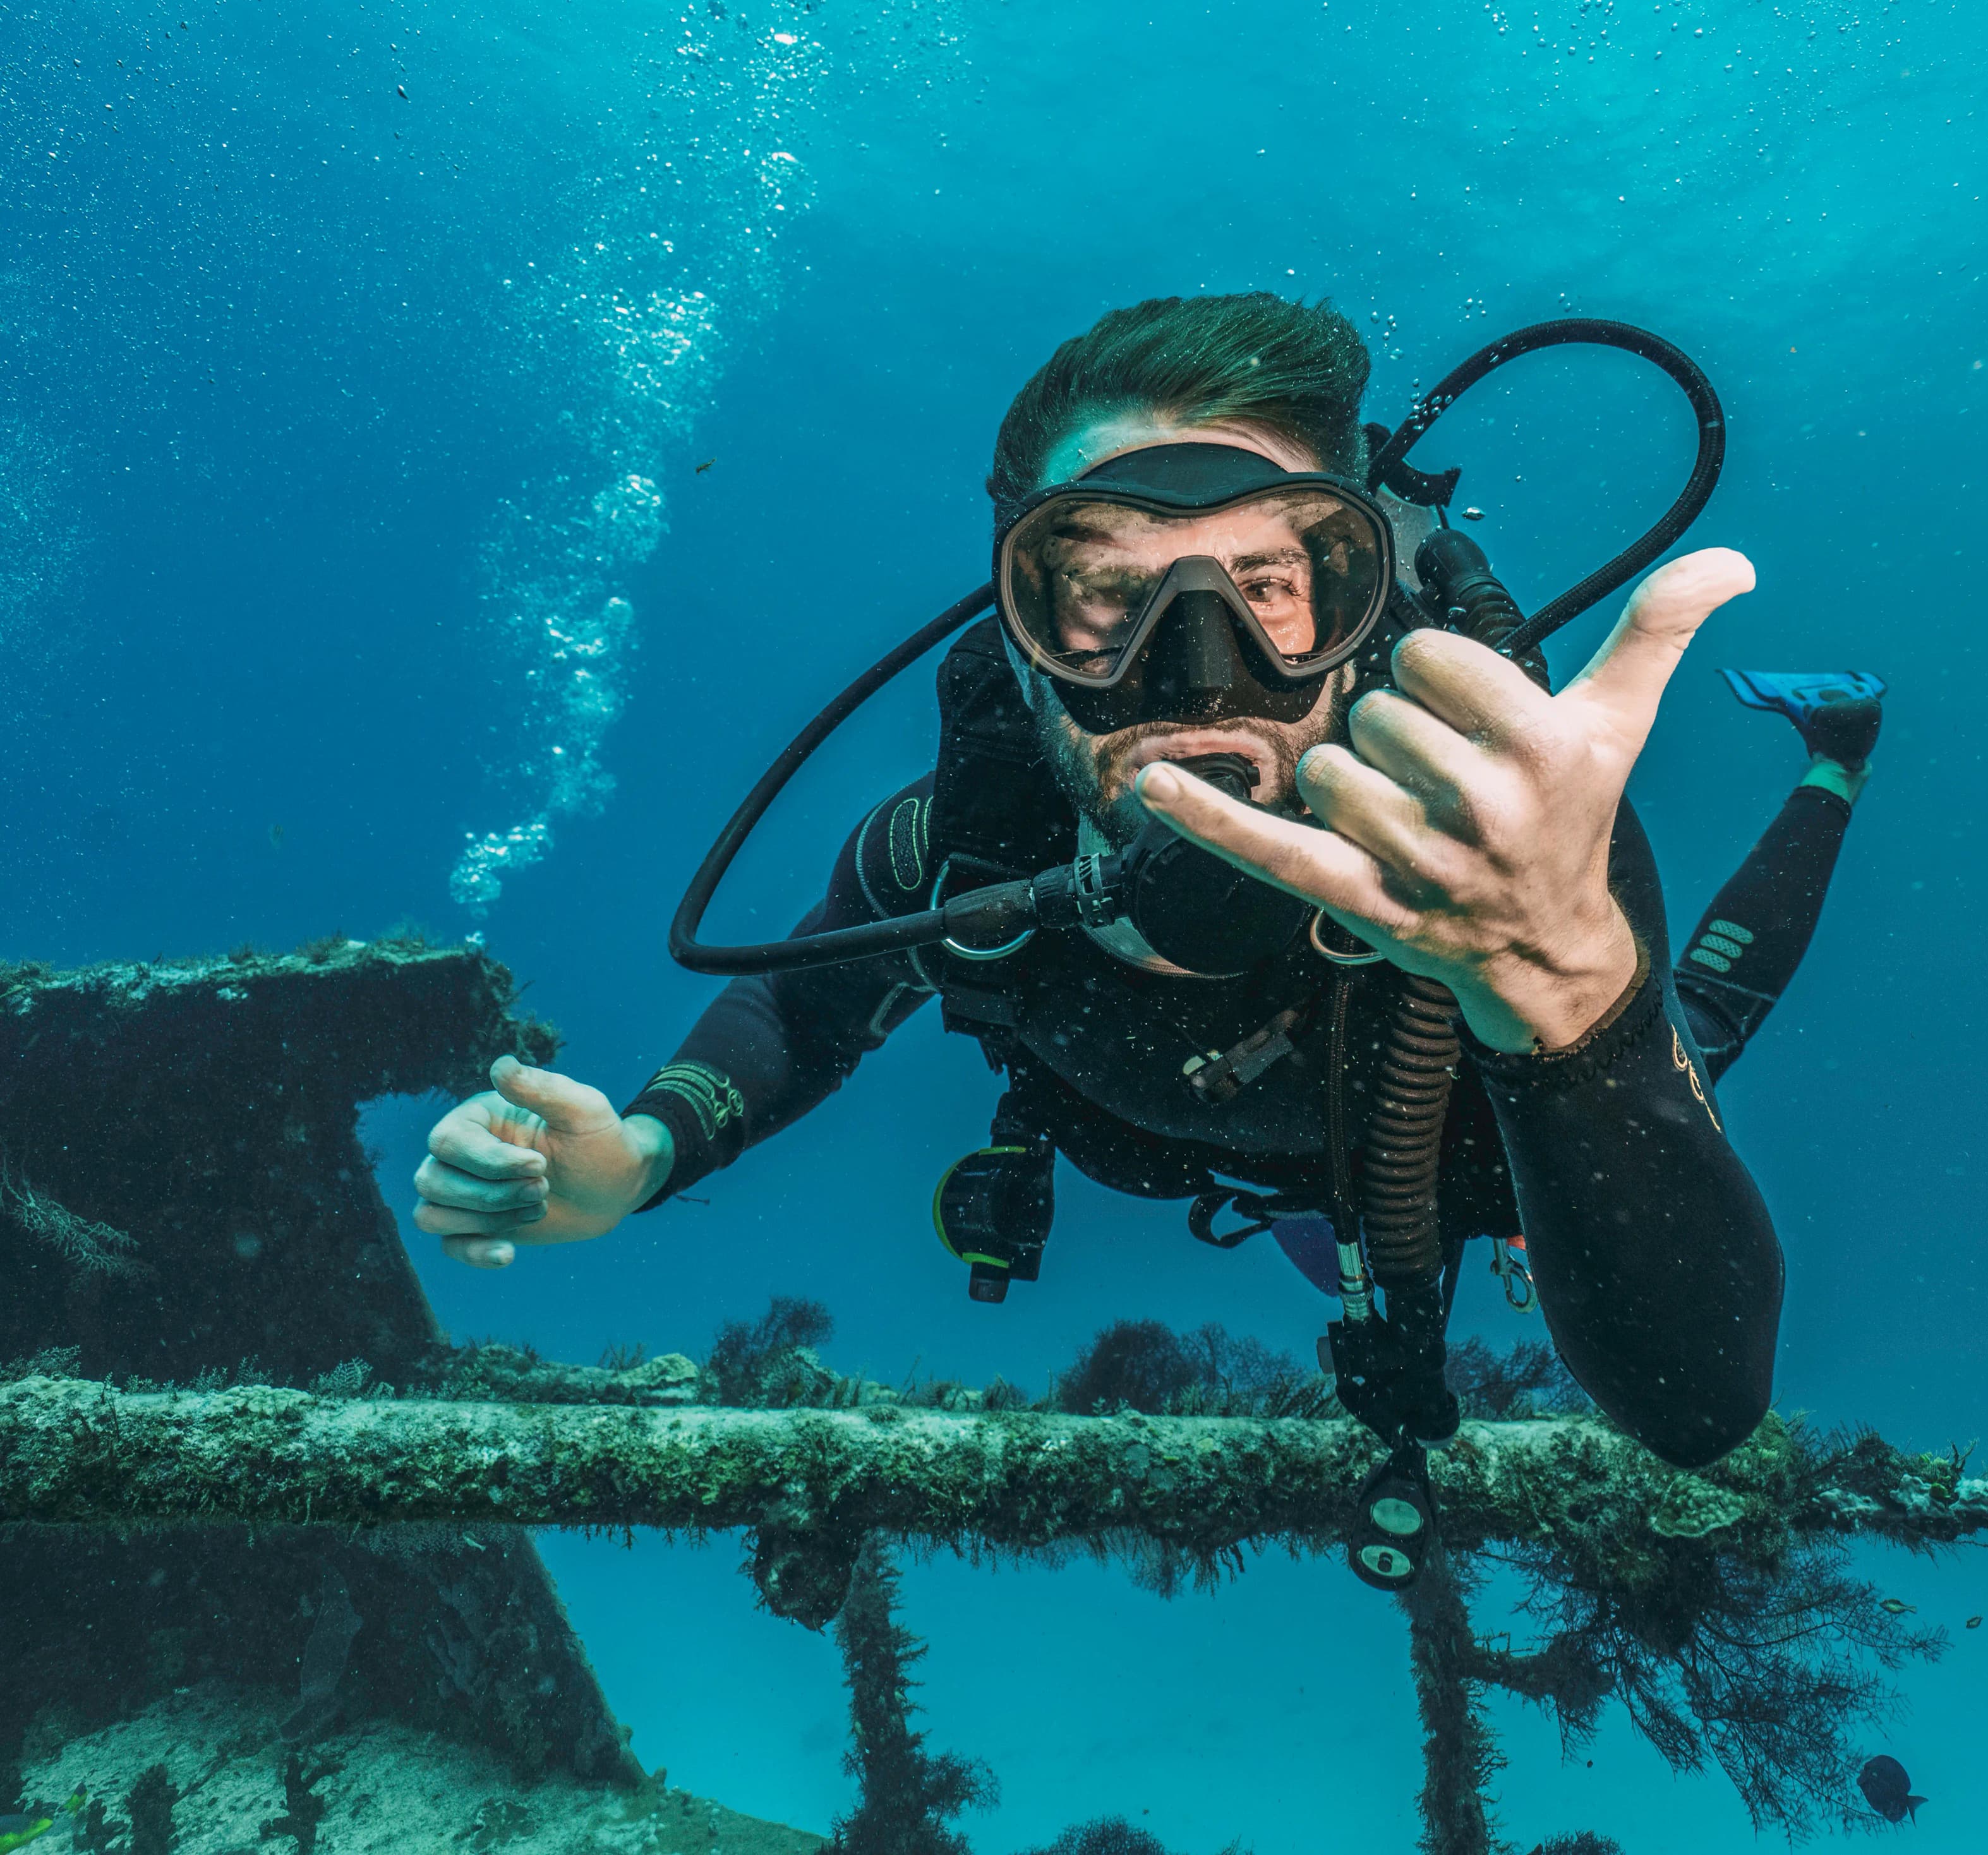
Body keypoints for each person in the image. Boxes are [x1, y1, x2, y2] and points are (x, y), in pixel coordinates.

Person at [413, 295, 1879, 1469]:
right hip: (1252, 1164)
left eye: (1268, 586)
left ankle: (1836, 759)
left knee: (1702, 1008)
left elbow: (1700, 1410)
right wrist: (643, 1159)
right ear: (1021, 618)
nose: (1195, 672)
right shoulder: (961, 860)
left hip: (1468, 1153)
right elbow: (804, 1013)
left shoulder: (1497, 862)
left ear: (1363, 609)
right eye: (1108, 590)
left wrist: (1562, 987)